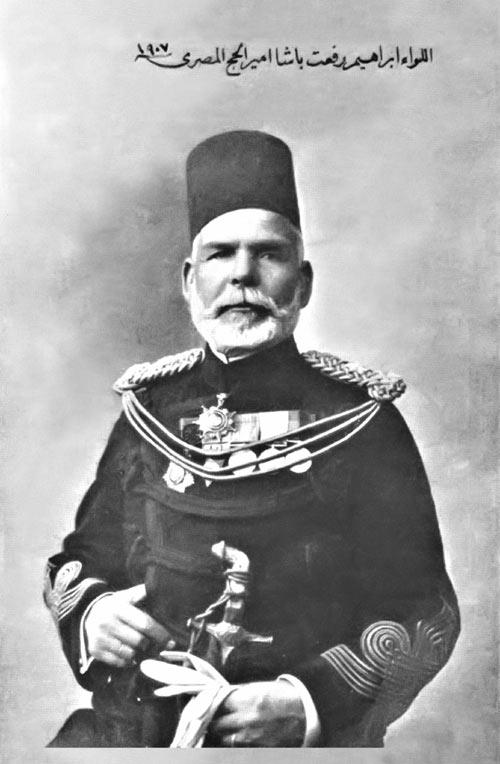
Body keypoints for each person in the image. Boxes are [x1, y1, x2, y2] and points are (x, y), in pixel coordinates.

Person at [44, 130, 460, 748]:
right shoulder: (147, 414)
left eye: (268, 254)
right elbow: (80, 561)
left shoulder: (361, 423)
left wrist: (308, 701)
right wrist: (93, 615)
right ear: (190, 282)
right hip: (131, 733)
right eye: (220, 254)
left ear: (303, 283)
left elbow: (427, 612)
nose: (242, 273)